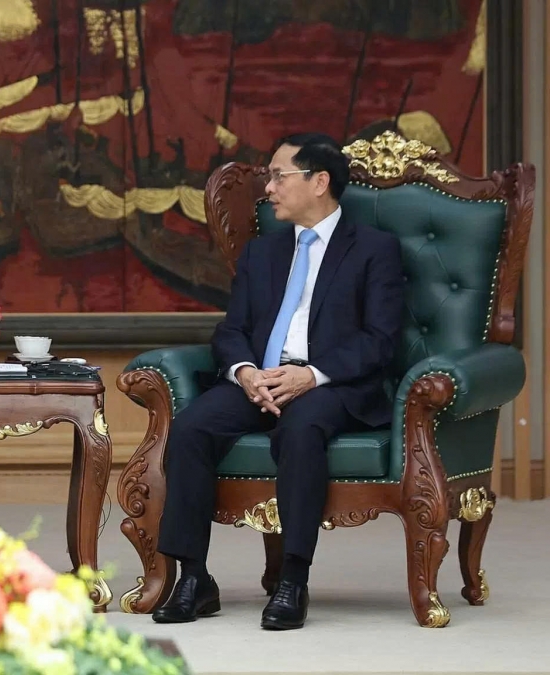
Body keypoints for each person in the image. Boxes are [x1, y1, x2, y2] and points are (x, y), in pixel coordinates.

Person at [151, 133, 404, 630]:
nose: (268, 188)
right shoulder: (262, 253)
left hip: (330, 386)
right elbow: (232, 331)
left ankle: (292, 579)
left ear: (320, 182)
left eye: (279, 176)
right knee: (192, 428)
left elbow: (380, 340)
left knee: (301, 430)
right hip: (259, 380)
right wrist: (246, 373)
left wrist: (310, 375)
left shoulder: (375, 250)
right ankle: (194, 577)